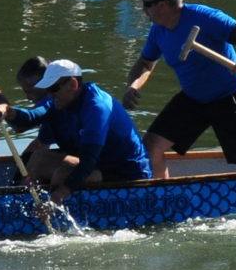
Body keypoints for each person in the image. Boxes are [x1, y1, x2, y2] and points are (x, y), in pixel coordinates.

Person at [123, 0, 236, 169]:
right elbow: (145, 63)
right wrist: (133, 86)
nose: (143, 9)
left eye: (146, 4)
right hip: (194, 99)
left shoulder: (204, 17)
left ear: (162, 5)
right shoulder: (158, 30)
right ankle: (164, 197)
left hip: (230, 97)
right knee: (151, 148)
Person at [20, 60, 150, 198]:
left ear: (72, 85)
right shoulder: (62, 104)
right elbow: (29, 127)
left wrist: (58, 196)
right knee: (39, 157)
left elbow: (88, 162)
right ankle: (23, 201)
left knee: (62, 175)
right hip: (99, 164)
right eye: (47, 90)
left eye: (53, 89)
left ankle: (54, 212)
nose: (50, 96)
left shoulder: (96, 108)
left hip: (127, 174)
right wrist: (6, 111)